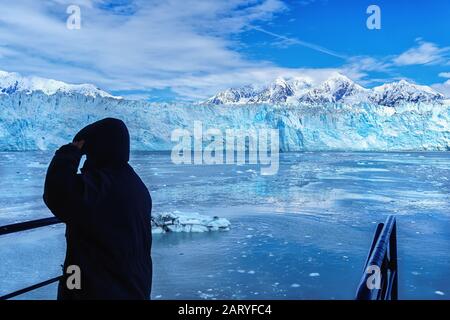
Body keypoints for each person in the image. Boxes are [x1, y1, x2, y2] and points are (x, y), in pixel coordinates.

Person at [43, 118, 152, 300]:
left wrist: (69, 154)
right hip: (132, 287)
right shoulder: (133, 183)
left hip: (99, 290)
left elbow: (57, 194)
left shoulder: (101, 185)